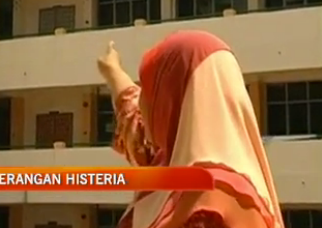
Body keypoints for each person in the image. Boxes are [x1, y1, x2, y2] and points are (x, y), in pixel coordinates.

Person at [96, 30, 284, 228]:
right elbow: (137, 132)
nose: (141, 103)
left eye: (149, 91)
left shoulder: (206, 208)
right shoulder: (175, 161)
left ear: (170, 104)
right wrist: (113, 72)